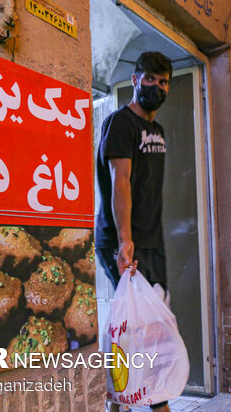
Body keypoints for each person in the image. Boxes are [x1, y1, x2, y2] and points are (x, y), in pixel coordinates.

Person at [95, 51, 173, 412]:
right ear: (135, 80)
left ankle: (125, 402)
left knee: (150, 327)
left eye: (164, 82)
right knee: (132, 329)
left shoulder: (156, 130)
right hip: (121, 241)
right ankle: (135, 403)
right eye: (150, 79)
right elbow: (120, 181)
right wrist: (126, 240)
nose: (157, 87)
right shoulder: (120, 123)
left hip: (151, 241)